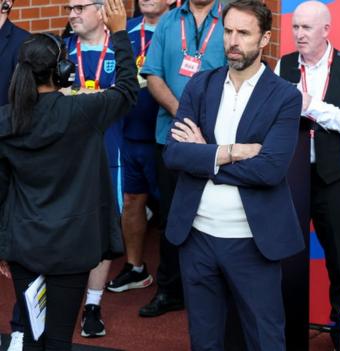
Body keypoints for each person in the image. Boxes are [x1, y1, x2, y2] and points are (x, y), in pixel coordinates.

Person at [163, 0, 304, 349]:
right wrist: (230, 152)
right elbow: (175, 153)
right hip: (196, 237)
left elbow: (270, 170)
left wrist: (206, 158)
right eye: (228, 31)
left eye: (243, 33)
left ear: (264, 39)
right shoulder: (200, 85)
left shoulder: (285, 96)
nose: (232, 41)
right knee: (204, 341)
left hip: (252, 241)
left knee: (266, 339)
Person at [0, 0, 138, 348]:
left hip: (24, 243)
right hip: (73, 244)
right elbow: (127, 89)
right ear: (61, 72)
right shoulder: (83, 111)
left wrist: (4, 246)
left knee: (33, 334)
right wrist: (120, 33)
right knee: (59, 337)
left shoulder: (5, 121)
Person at [274, 2, 340, 347]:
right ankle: (285, 336)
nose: (299, 34)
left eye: (307, 28)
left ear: (326, 30)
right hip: (291, 178)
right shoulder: (283, 64)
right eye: (295, 27)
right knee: (283, 258)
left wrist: (310, 106)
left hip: (335, 180)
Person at [138, 0, 226, 317]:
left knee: (218, 215)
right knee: (172, 218)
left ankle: (216, 292)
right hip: (171, 136)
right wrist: (184, 116)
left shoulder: (231, 16)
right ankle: (170, 290)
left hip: (219, 138)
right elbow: (153, 76)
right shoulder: (168, 21)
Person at [64, 0, 126, 337]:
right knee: (67, 226)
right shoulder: (60, 51)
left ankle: (92, 305)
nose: (72, 14)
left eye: (79, 7)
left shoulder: (120, 48)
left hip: (109, 153)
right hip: (67, 157)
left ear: (101, 11)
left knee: (103, 228)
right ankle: (60, 297)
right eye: (69, 8)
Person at [106, 0, 173, 294]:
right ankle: (135, 268)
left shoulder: (181, 29)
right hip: (129, 135)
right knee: (132, 201)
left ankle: (175, 281)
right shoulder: (125, 29)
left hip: (167, 136)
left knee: (172, 210)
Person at [0, 0, 28, 349]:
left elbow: (24, 105)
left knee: (19, 252)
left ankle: (21, 328)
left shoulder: (23, 43)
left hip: (10, 159)